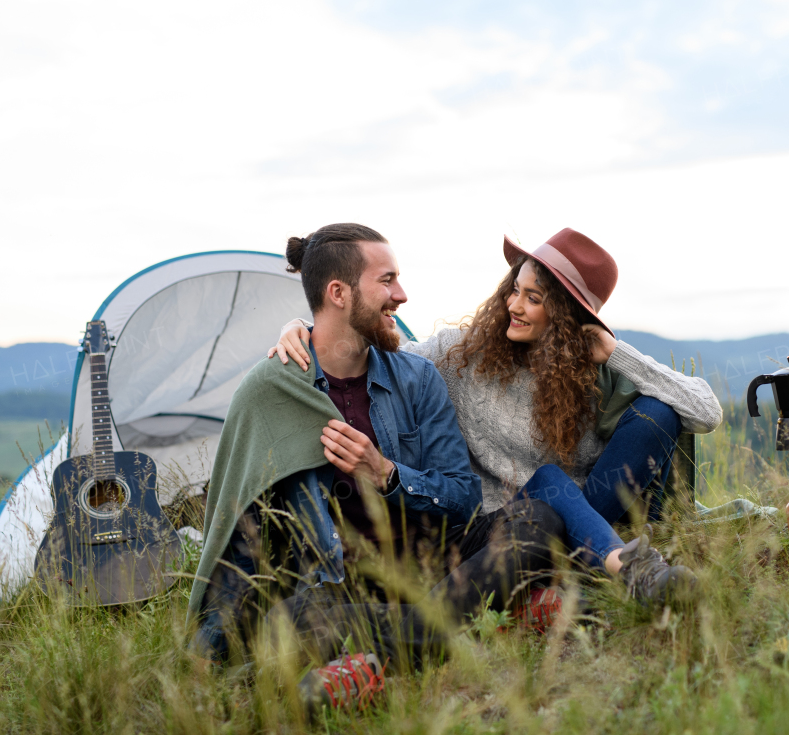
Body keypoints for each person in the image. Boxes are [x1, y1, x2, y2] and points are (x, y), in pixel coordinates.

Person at [189, 223, 567, 713]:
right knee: (286, 627)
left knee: (539, 520)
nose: (401, 295)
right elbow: (238, 529)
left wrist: (388, 475)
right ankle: (478, 621)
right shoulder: (269, 390)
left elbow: (463, 498)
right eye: (387, 281)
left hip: (436, 567)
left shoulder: (416, 377)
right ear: (339, 292)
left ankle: (381, 656)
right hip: (340, 590)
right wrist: (213, 647)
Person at [272, 228, 724, 605]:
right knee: (548, 481)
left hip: (589, 513)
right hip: (510, 526)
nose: (514, 305)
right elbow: (374, 348)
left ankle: (599, 559)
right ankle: (627, 569)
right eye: (514, 289)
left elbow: (704, 412)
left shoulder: (597, 369)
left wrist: (616, 353)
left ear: (566, 315)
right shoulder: (460, 353)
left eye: (534, 298)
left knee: (658, 411)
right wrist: (307, 329)